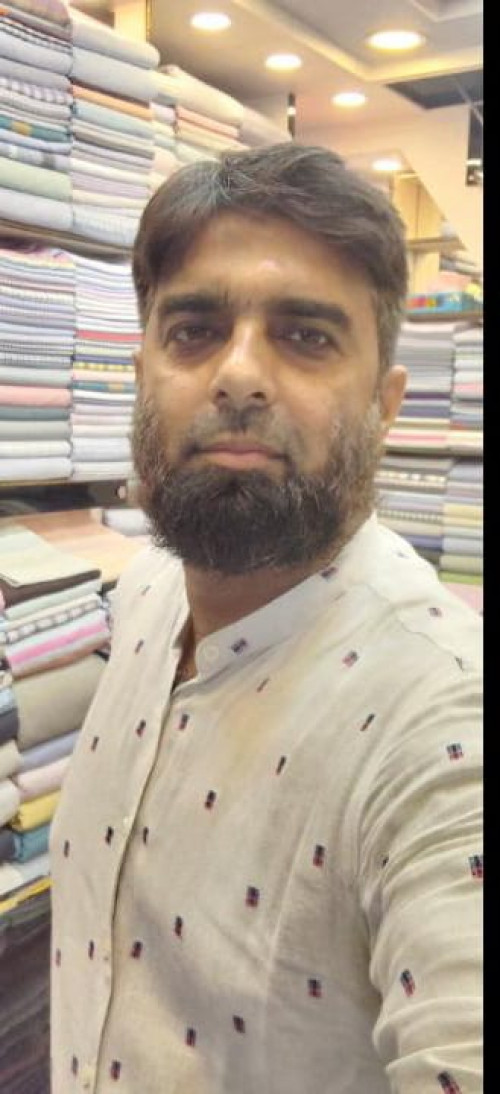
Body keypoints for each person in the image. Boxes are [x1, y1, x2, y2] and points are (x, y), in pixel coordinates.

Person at [50, 143, 482, 1094]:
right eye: (196, 330)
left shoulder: (444, 726)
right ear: (143, 374)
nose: (239, 376)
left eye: (306, 337)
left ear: (386, 404)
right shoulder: (147, 599)